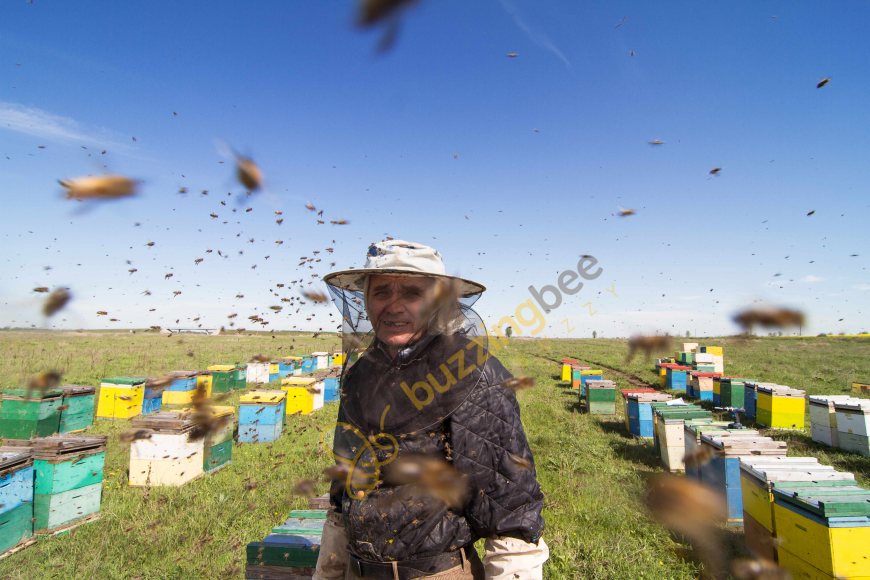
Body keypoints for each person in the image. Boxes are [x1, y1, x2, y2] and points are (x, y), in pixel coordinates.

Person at [315, 240, 548, 580]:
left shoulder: (470, 373)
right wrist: (328, 572)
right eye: (381, 292)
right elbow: (343, 495)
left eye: (411, 293)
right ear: (364, 300)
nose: (393, 306)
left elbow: (510, 512)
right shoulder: (362, 374)